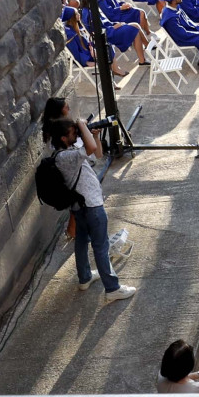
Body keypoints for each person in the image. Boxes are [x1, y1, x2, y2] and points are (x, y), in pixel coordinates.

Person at [44, 115, 136, 303]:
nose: (76, 133)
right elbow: (91, 150)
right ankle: (112, 289)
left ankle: (85, 277)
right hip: (92, 207)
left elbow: (98, 153)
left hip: (82, 207)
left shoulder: (68, 151)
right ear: (63, 138)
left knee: (82, 241)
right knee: (101, 246)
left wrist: (93, 135)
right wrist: (81, 123)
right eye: (73, 132)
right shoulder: (65, 157)